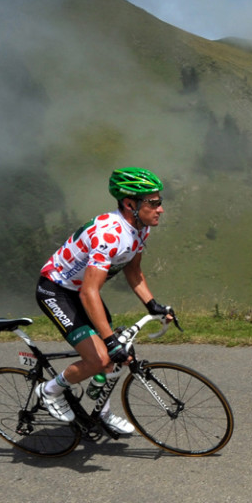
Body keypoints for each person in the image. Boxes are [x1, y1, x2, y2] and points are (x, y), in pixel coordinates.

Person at [33, 167, 176, 433]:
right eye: (153, 203)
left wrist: (152, 305)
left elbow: (134, 271)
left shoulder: (140, 228)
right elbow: (90, 292)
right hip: (57, 291)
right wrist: (108, 340)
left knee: (115, 355)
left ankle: (101, 412)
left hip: (80, 293)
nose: (160, 209)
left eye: (160, 202)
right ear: (130, 204)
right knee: (100, 359)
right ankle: (49, 390)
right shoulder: (109, 235)